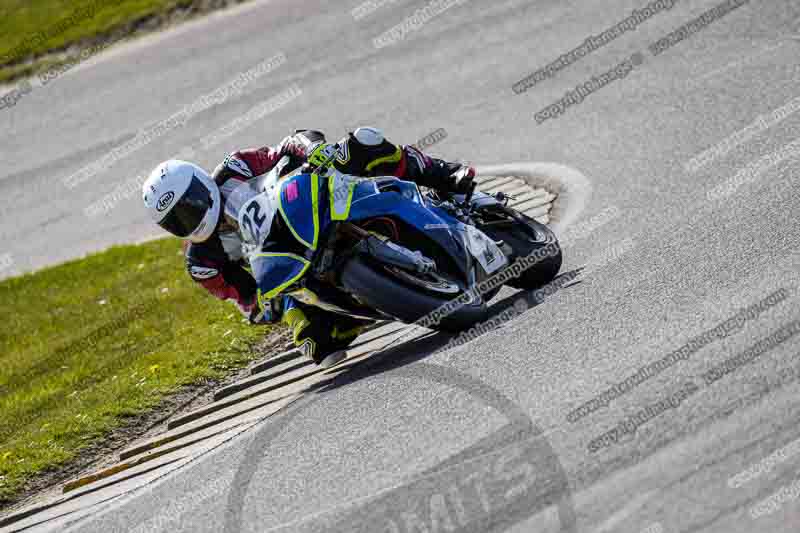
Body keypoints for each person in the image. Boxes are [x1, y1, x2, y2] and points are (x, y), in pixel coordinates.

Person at [142, 127, 475, 367]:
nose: (190, 220)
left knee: (362, 143)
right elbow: (248, 298)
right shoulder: (203, 263)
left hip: (309, 207)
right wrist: (262, 306)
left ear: (202, 186)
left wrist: (312, 150)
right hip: (290, 270)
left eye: (189, 207)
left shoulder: (235, 168)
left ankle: (444, 175)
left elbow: (290, 143)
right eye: (177, 221)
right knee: (316, 343)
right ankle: (368, 301)